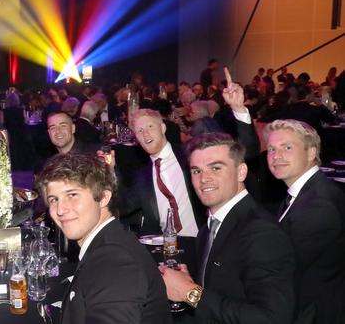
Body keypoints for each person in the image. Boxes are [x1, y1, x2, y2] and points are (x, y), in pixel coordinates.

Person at [159, 133, 295, 324]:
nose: (204, 178)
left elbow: (271, 318)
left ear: (241, 172)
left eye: (215, 168)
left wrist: (189, 292)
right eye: (196, 171)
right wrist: (190, 284)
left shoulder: (261, 232)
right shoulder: (210, 226)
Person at [36, 152, 171, 324]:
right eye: (54, 199)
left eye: (72, 195)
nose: (60, 209)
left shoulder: (113, 259)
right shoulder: (110, 241)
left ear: (103, 198)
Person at [128, 81, 259, 237]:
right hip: (166, 247)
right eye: (139, 131)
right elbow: (122, 206)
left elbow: (248, 152)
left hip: (204, 240)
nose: (145, 134)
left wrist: (238, 109)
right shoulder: (141, 177)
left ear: (163, 128)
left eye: (150, 127)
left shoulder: (190, 154)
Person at [264, 120, 345, 323]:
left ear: (311, 153)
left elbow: (279, 267)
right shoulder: (306, 192)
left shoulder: (318, 205)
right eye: (271, 149)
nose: (276, 156)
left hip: (316, 312)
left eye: (287, 147)